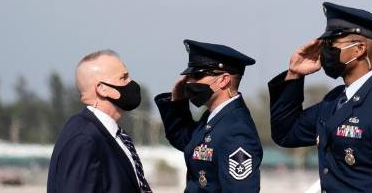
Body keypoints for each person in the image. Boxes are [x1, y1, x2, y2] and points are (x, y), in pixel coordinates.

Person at [269, 3, 372, 191]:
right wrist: (294, 74)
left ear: (359, 49)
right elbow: (286, 132)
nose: (324, 51)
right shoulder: (335, 100)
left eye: (331, 43)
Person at [154, 40, 263, 192]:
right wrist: (177, 102)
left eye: (197, 75)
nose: (189, 82)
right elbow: (183, 140)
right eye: (188, 76)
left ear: (224, 80)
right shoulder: (213, 118)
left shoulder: (236, 131)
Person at [47, 49, 152, 193]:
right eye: (124, 78)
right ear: (102, 89)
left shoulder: (111, 134)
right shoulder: (84, 138)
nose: (131, 83)